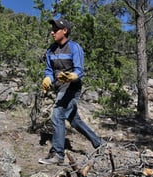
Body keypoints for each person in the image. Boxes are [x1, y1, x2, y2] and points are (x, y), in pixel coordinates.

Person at [38, 18, 104, 165]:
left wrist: (72, 76)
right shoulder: (51, 50)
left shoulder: (74, 47)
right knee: (74, 121)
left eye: (55, 30)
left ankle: (58, 154)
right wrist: (47, 79)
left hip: (72, 87)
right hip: (60, 88)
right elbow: (49, 70)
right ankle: (100, 144)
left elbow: (79, 71)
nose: (52, 32)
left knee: (57, 115)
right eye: (52, 30)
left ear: (65, 31)